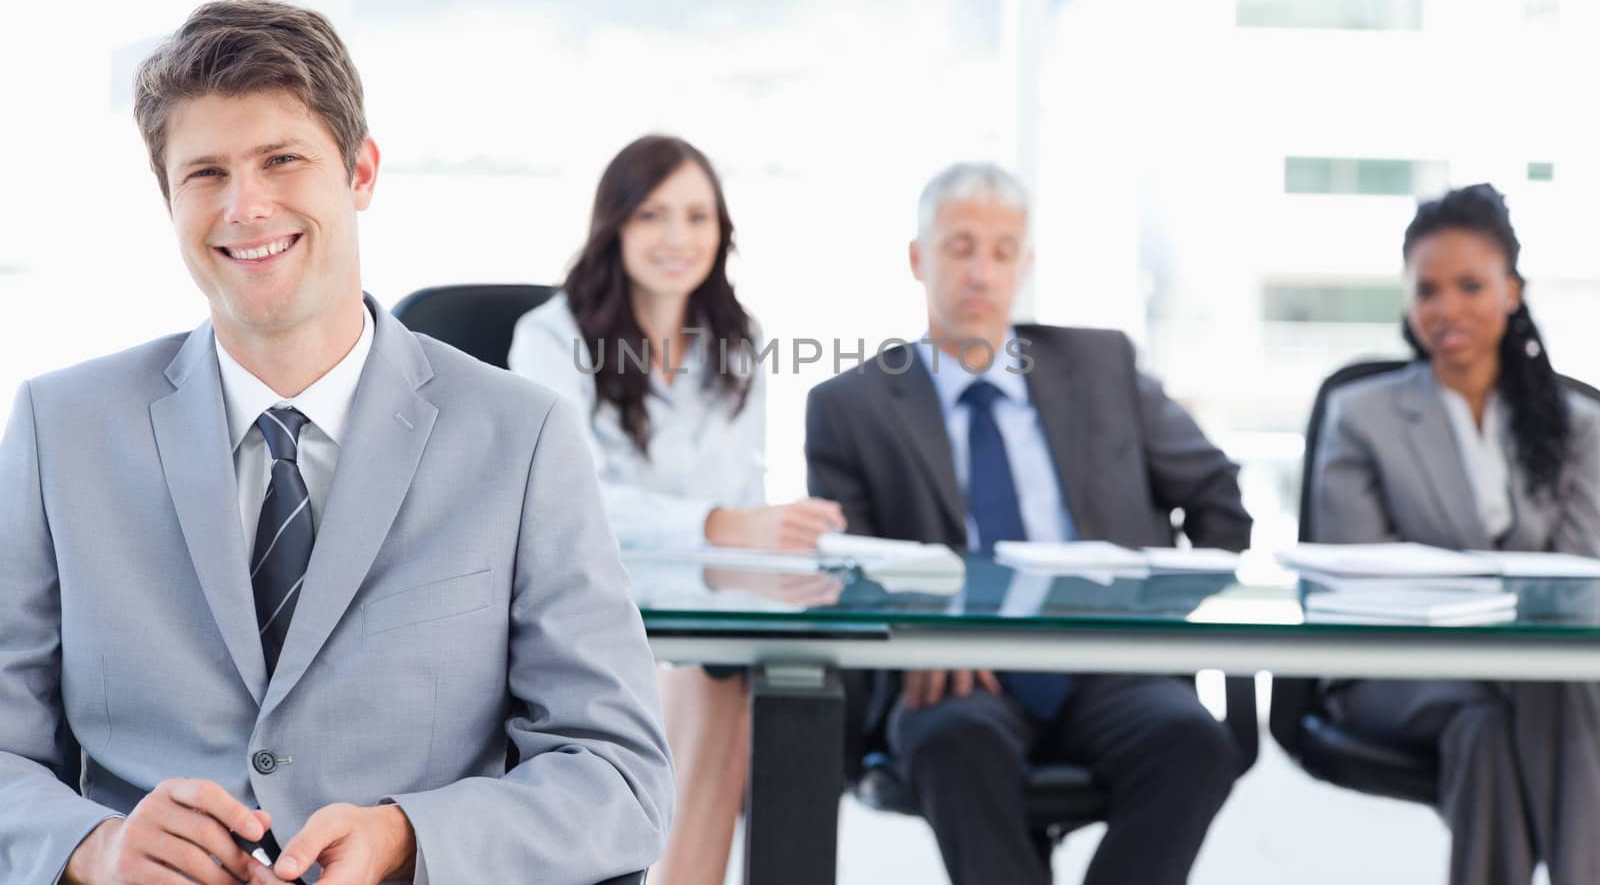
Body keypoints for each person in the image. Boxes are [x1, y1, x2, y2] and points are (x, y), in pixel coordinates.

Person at [0, 0, 673, 885]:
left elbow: (620, 782)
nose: (246, 206)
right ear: (168, 197)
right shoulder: (64, 430)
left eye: (282, 159)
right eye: (206, 173)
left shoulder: (522, 438)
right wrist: (91, 847)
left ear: (360, 172)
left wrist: (410, 838)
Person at [804, 162, 1249, 885]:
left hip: (1110, 660)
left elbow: (1218, 499)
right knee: (954, 743)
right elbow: (845, 565)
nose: (982, 270)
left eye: (1003, 250)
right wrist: (921, 636)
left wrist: (1158, 620)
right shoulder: (851, 407)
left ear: (1026, 264)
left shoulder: (1101, 364)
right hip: (955, 674)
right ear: (918, 258)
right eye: (959, 247)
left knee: (1193, 742)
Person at [508, 133, 843, 885]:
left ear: (722, 232)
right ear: (615, 225)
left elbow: (741, 493)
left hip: (700, 613)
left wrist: (776, 531)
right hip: (575, 604)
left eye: (698, 217)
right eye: (654, 215)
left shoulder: (738, 341)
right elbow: (565, 504)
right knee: (718, 678)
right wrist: (722, 527)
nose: (678, 238)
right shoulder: (550, 338)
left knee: (771, 679)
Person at [1310, 183, 1600, 885]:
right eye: (1427, 290)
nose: (1447, 309)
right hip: (1400, 668)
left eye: (1470, 285)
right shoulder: (1361, 415)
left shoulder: (1577, 422)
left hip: (1534, 675)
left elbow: (1584, 574)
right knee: (1550, 693)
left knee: (1490, 728)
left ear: (1512, 291)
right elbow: (1357, 582)